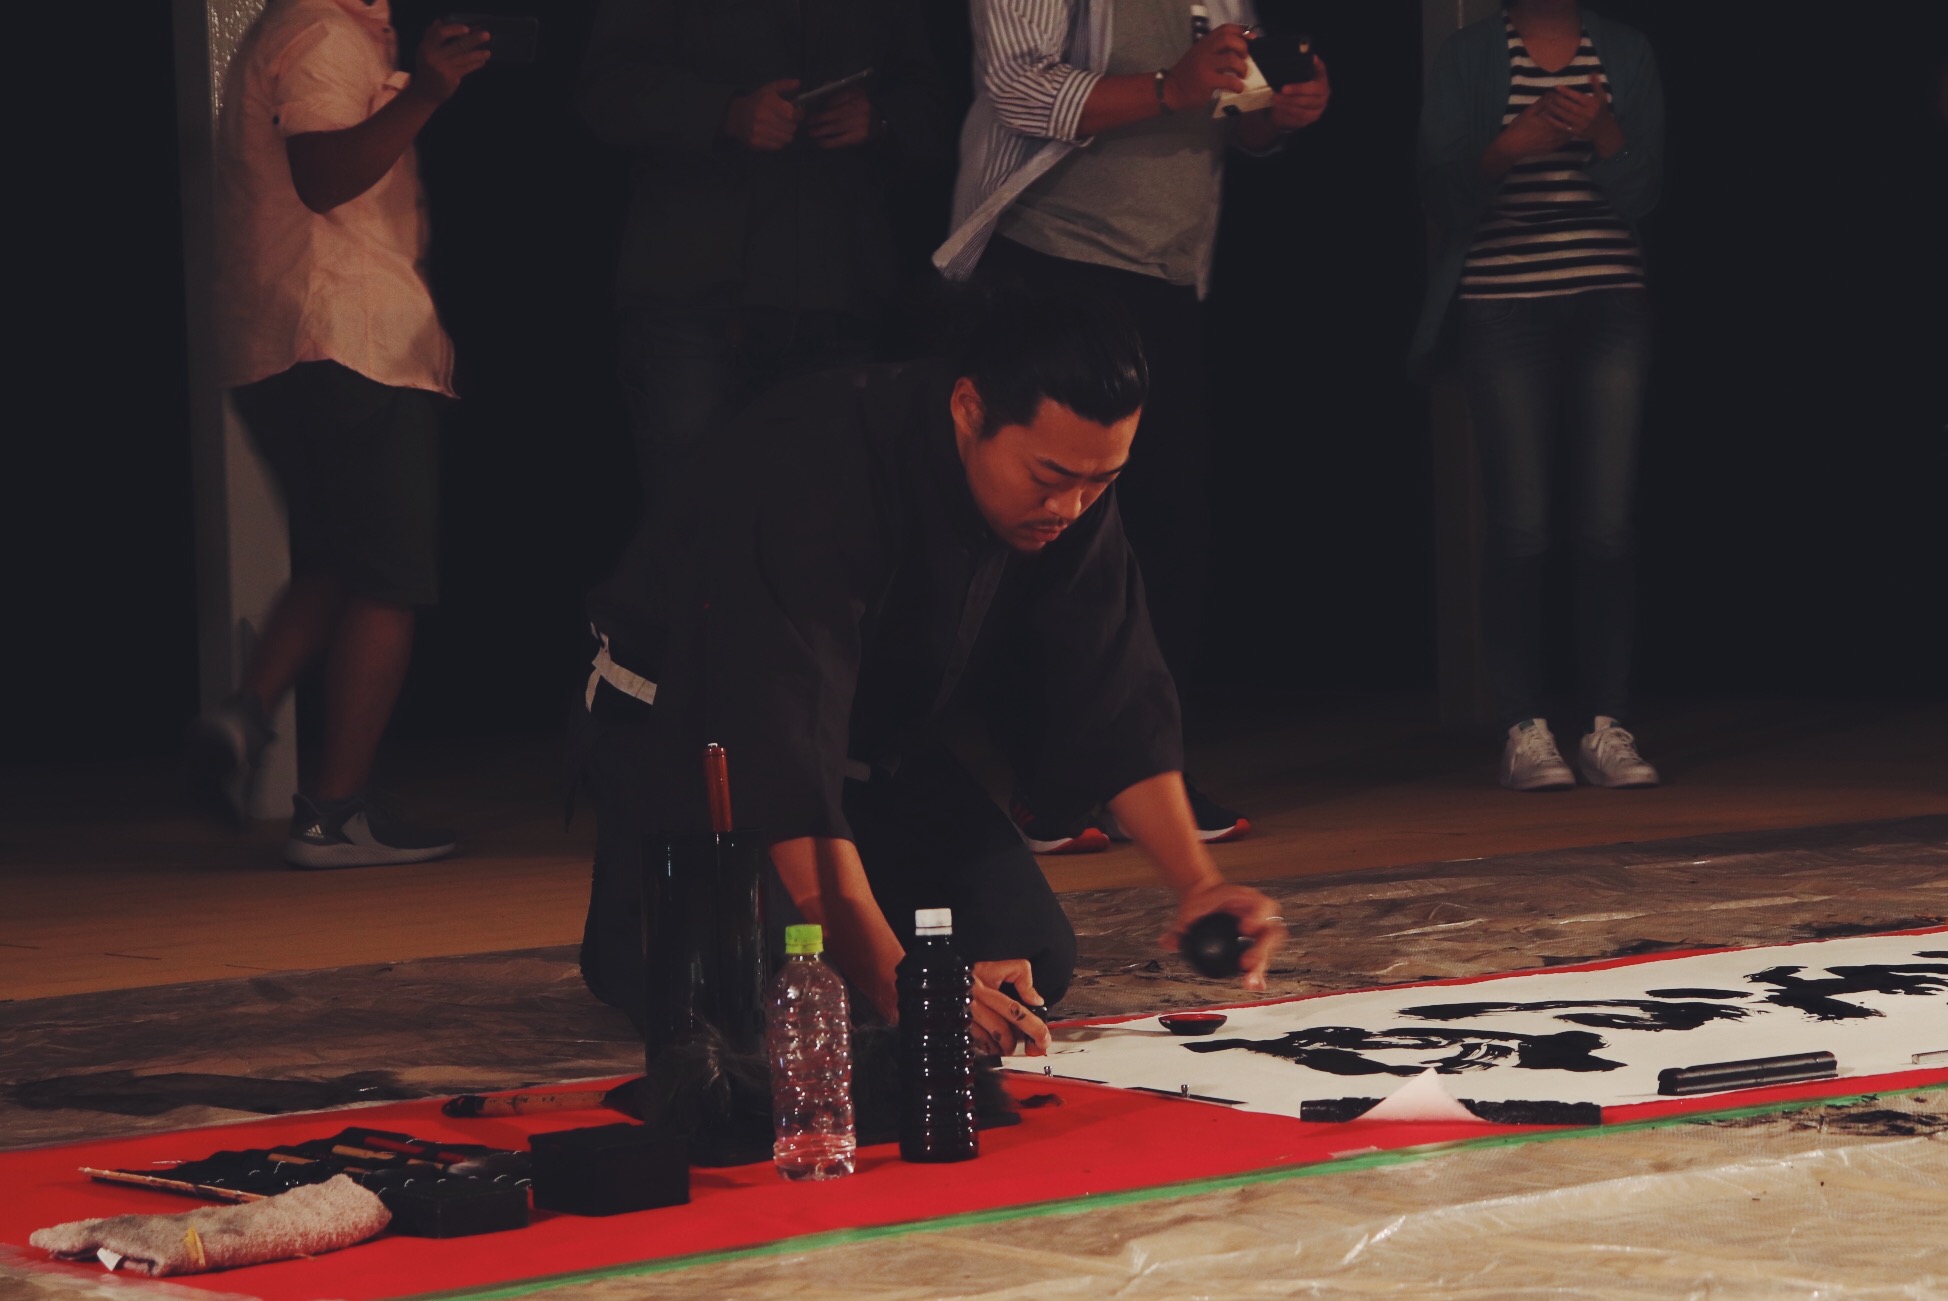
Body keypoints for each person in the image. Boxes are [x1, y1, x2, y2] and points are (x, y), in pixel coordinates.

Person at [576, 290, 1286, 1055]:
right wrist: (903, 989)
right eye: (1050, 476)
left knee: (1027, 953)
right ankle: (640, 929)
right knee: (753, 997)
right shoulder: (812, 463)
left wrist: (1198, 882)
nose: (1072, 506)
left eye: (1101, 481)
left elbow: (1115, 694)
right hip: (699, 736)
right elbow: (780, 749)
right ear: (969, 409)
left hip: (867, 752)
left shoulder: (1071, 486)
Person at [935, 0, 1331, 851]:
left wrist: (1273, 109)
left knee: (1166, 529)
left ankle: (1148, 773)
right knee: (1044, 525)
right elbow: (1017, 86)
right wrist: (1167, 87)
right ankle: (1048, 781)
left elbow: (1229, 101)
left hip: (1166, 269)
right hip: (1051, 256)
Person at [187, 0, 489, 865]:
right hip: (345, 341)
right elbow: (322, 177)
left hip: (284, 344)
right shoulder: (323, 35)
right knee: (390, 578)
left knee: (340, 559)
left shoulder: (305, 29)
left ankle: (245, 714)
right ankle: (334, 814)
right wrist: (424, 93)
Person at [1411, 0, 1664, 792]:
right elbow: (1438, 191)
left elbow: (1647, 193)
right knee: (1520, 527)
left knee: (1606, 528)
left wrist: (1604, 133)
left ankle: (1607, 724)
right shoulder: (1469, 55)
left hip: (1610, 303)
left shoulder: (1624, 50)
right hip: (1503, 304)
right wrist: (1505, 151)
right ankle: (1523, 726)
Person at [576, 0, 950, 525]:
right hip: (695, 290)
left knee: (821, 530)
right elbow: (606, 90)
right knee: (693, 523)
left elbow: (935, 103)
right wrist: (724, 112)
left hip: (837, 295)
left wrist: (882, 119)